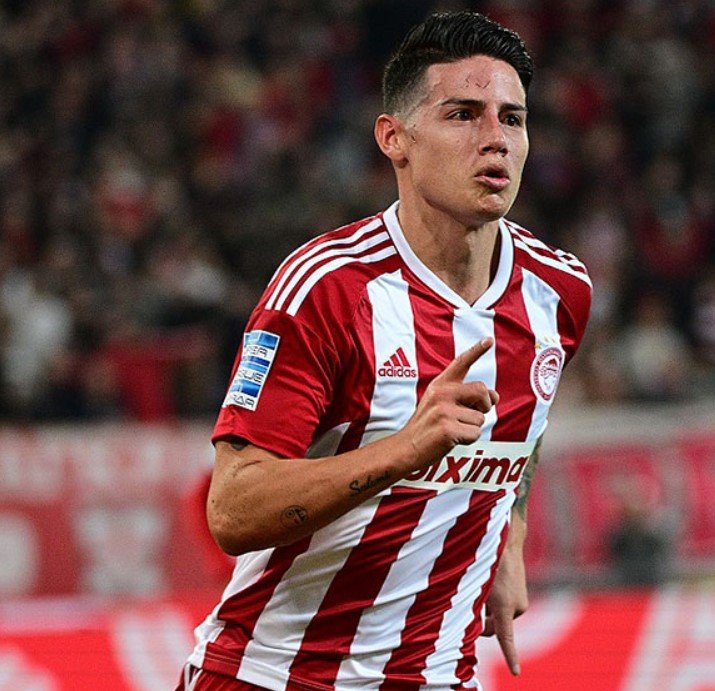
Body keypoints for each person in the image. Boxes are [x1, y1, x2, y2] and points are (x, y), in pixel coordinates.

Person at [179, 12, 591, 690]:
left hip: (439, 676)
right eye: (463, 114)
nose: (495, 138)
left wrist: (510, 531)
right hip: (275, 675)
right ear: (394, 138)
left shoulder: (560, 292)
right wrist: (403, 450)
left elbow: (528, 422)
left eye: (512, 119)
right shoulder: (327, 289)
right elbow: (233, 509)